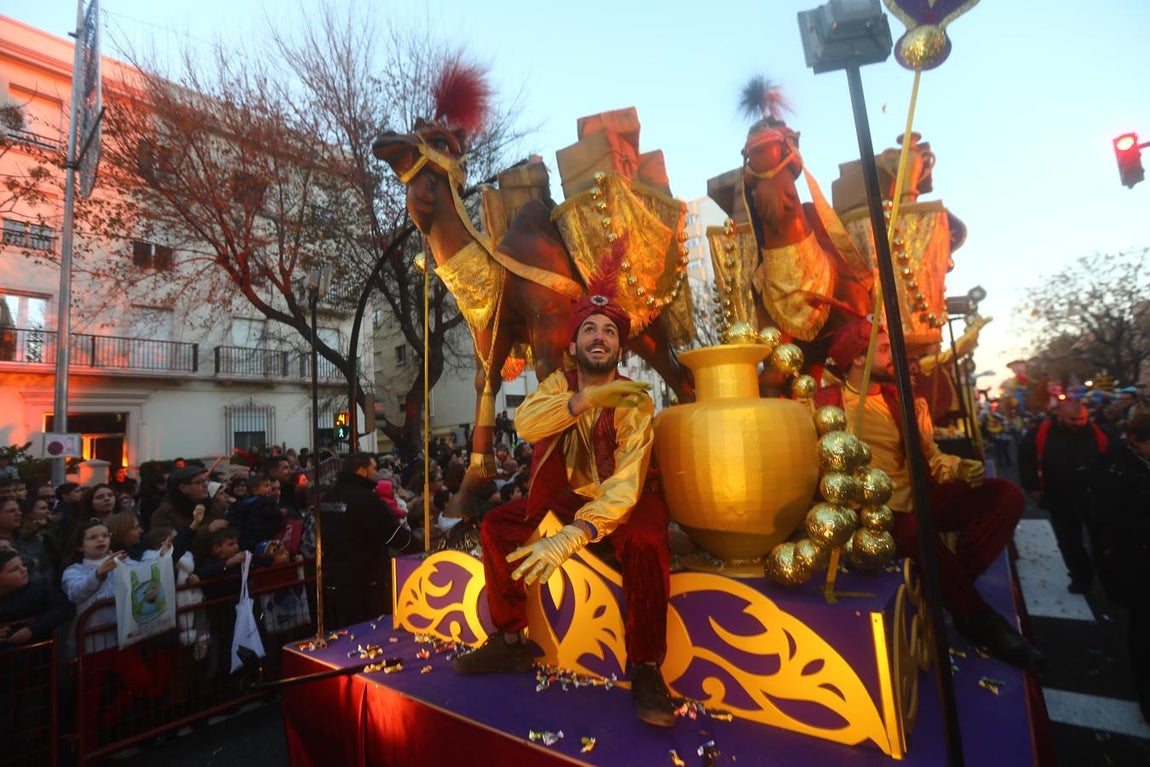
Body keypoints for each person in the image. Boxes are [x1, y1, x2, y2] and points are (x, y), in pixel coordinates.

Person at [452, 271, 679, 728]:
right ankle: (512, 642)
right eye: (590, 329)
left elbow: (625, 487)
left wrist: (573, 534)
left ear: (619, 348)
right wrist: (587, 398)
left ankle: (648, 667)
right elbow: (527, 424)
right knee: (498, 525)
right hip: (572, 497)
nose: (600, 337)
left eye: (610, 331)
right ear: (573, 346)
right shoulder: (560, 383)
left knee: (645, 543)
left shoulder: (635, 399)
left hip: (629, 499)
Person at [815, 318, 1044, 671]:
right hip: (875, 515)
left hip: (919, 500)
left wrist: (957, 468)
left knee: (1006, 496)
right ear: (858, 359)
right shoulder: (826, 405)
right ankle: (977, 618)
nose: (894, 356)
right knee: (911, 531)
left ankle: (953, 583)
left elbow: (931, 455)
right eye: (884, 349)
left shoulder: (901, 399)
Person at [1089, 411, 1150, 720]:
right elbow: (1107, 521)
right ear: (1137, 441)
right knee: (1143, 631)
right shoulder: (1116, 468)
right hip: (1138, 563)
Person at [1018, 397, 1111, 593]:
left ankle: (1110, 584)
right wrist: (1032, 486)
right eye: (1073, 420)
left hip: (1095, 497)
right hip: (1059, 497)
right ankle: (1081, 579)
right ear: (1060, 416)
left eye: (1082, 419)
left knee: (1104, 544)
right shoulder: (1039, 434)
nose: (1078, 423)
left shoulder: (1100, 433)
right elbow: (1026, 460)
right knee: (1070, 544)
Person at [319, 453, 412, 628]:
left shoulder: (329, 497)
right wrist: (415, 546)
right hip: (364, 581)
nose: (376, 473)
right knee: (368, 630)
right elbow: (393, 534)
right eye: (374, 469)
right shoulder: (366, 499)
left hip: (334, 577)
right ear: (362, 471)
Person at [151, 466, 229, 561]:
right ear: (183, 488)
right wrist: (207, 530)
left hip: (217, 564)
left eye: (206, 481)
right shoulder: (164, 514)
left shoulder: (214, 507)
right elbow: (171, 546)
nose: (205, 485)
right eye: (199, 482)